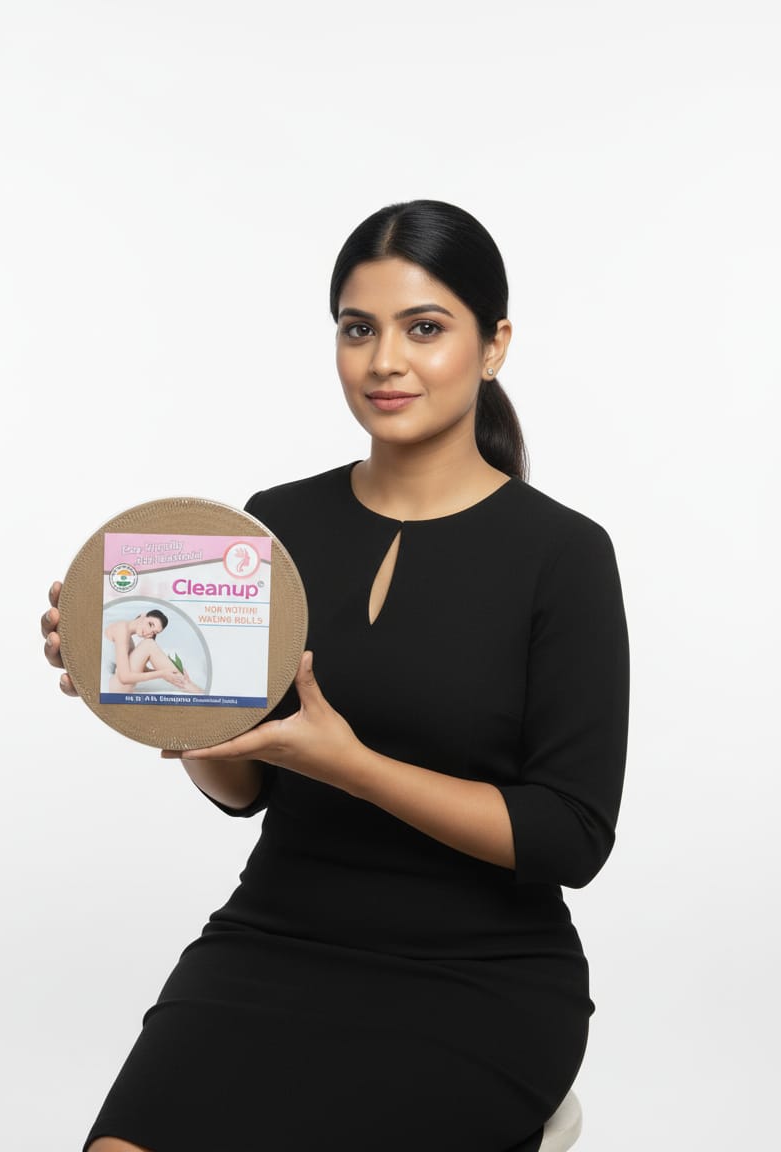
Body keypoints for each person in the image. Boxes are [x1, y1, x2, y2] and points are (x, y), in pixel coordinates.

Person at [41, 199, 629, 1152]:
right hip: (274, 939)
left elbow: (572, 837)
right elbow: (246, 784)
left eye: (424, 328)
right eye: (359, 330)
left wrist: (352, 765)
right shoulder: (275, 526)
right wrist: (151, 698)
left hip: (477, 978)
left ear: (494, 345)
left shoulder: (562, 554)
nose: (384, 360)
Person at [102, 610, 204, 695]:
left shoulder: (129, 640)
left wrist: (170, 673)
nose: (149, 632)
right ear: (143, 615)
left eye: (154, 632)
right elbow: (124, 678)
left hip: (116, 686)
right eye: (150, 624)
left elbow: (143, 670)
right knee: (149, 644)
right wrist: (162, 673)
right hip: (109, 687)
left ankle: (188, 684)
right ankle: (192, 687)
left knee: (149, 644)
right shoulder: (121, 629)